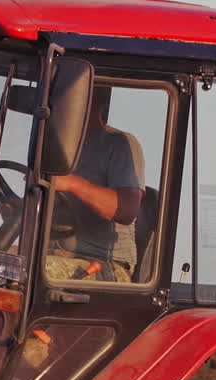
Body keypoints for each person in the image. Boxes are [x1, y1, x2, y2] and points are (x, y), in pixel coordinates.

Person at [46, 90, 144, 283]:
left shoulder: (119, 143)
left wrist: (73, 184)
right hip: (52, 252)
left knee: (25, 273)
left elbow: (127, 210)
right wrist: (16, 208)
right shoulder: (57, 145)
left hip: (104, 264)